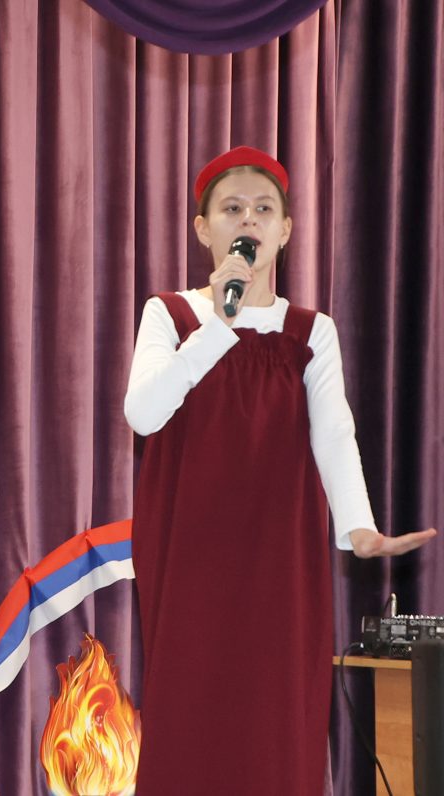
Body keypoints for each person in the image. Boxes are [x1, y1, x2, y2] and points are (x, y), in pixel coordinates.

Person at [125, 145, 437, 796]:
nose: (249, 220)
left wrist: (359, 528)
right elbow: (144, 414)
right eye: (232, 208)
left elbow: (335, 432)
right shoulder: (170, 315)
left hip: (279, 556)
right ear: (203, 228)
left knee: (276, 715)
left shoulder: (310, 331)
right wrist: (220, 323)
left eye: (264, 209)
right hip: (189, 551)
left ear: (287, 230)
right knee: (189, 711)